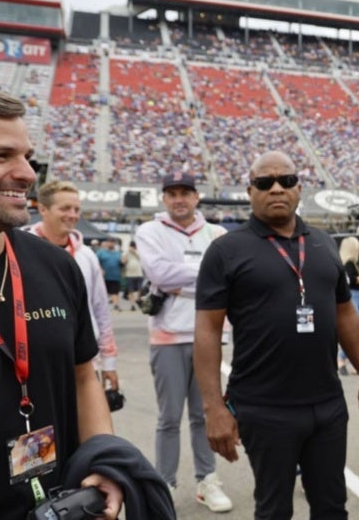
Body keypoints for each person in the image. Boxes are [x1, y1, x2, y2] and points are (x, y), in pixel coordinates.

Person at [0, 84, 122, 519]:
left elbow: (84, 377)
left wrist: (103, 461)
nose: (29, 173)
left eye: (27, 156)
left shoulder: (56, 265)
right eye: (1, 156)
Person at [194, 151, 359, 520]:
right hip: (264, 408)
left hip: (326, 404)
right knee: (274, 509)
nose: (276, 188)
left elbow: (345, 315)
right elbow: (207, 331)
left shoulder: (324, 244)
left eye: (286, 181)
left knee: (331, 508)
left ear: (299, 189)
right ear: (249, 191)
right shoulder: (226, 250)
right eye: (264, 183)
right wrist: (214, 408)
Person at [134, 171, 233, 512]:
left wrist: (181, 280)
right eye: (172, 193)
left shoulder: (216, 233)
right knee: (169, 416)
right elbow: (159, 274)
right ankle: (165, 484)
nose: (179, 199)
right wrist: (205, 276)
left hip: (209, 334)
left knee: (206, 413)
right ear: (164, 198)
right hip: (168, 336)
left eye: (185, 193)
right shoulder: (149, 231)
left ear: (196, 197)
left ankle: (207, 479)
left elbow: (225, 278)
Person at [26, 180, 119, 391]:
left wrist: (109, 362)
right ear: (42, 209)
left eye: (77, 209)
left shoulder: (87, 256)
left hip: (84, 360)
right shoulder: (19, 249)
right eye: (65, 208)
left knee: (86, 424)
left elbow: (100, 310)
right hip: (35, 361)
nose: (73, 215)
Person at [337, 236, 359, 375]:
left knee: (355, 330)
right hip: (353, 296)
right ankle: (341, 359)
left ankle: (348, 360)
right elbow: (351, 280)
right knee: (354, 330)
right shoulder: (349, 264)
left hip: (353, 296)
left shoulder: (345, 263)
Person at [95, 239, 123, 311]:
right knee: (103, 292)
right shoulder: (101, 253)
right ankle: (102, 306)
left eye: (113, 242)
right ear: (107, 243)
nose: (111, 244)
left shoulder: (118, 253)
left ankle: (116, 305)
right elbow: (95, 262)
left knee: (115, 292)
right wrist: (100, 269)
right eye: (110, 242)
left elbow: (121, 264)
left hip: (115, 276)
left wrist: (123, 262)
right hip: (104, 277)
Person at [122, 241, 144, 311]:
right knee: (130, 290)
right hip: (129, 274)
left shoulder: (139, 252)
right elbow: (123, 261)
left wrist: (134, 252)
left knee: (140, 289)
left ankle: (138, 299)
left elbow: (141, 258)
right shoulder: (126, 252)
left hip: (139, 273)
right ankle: (133, 304)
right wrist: (127, 253)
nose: (132, 248)